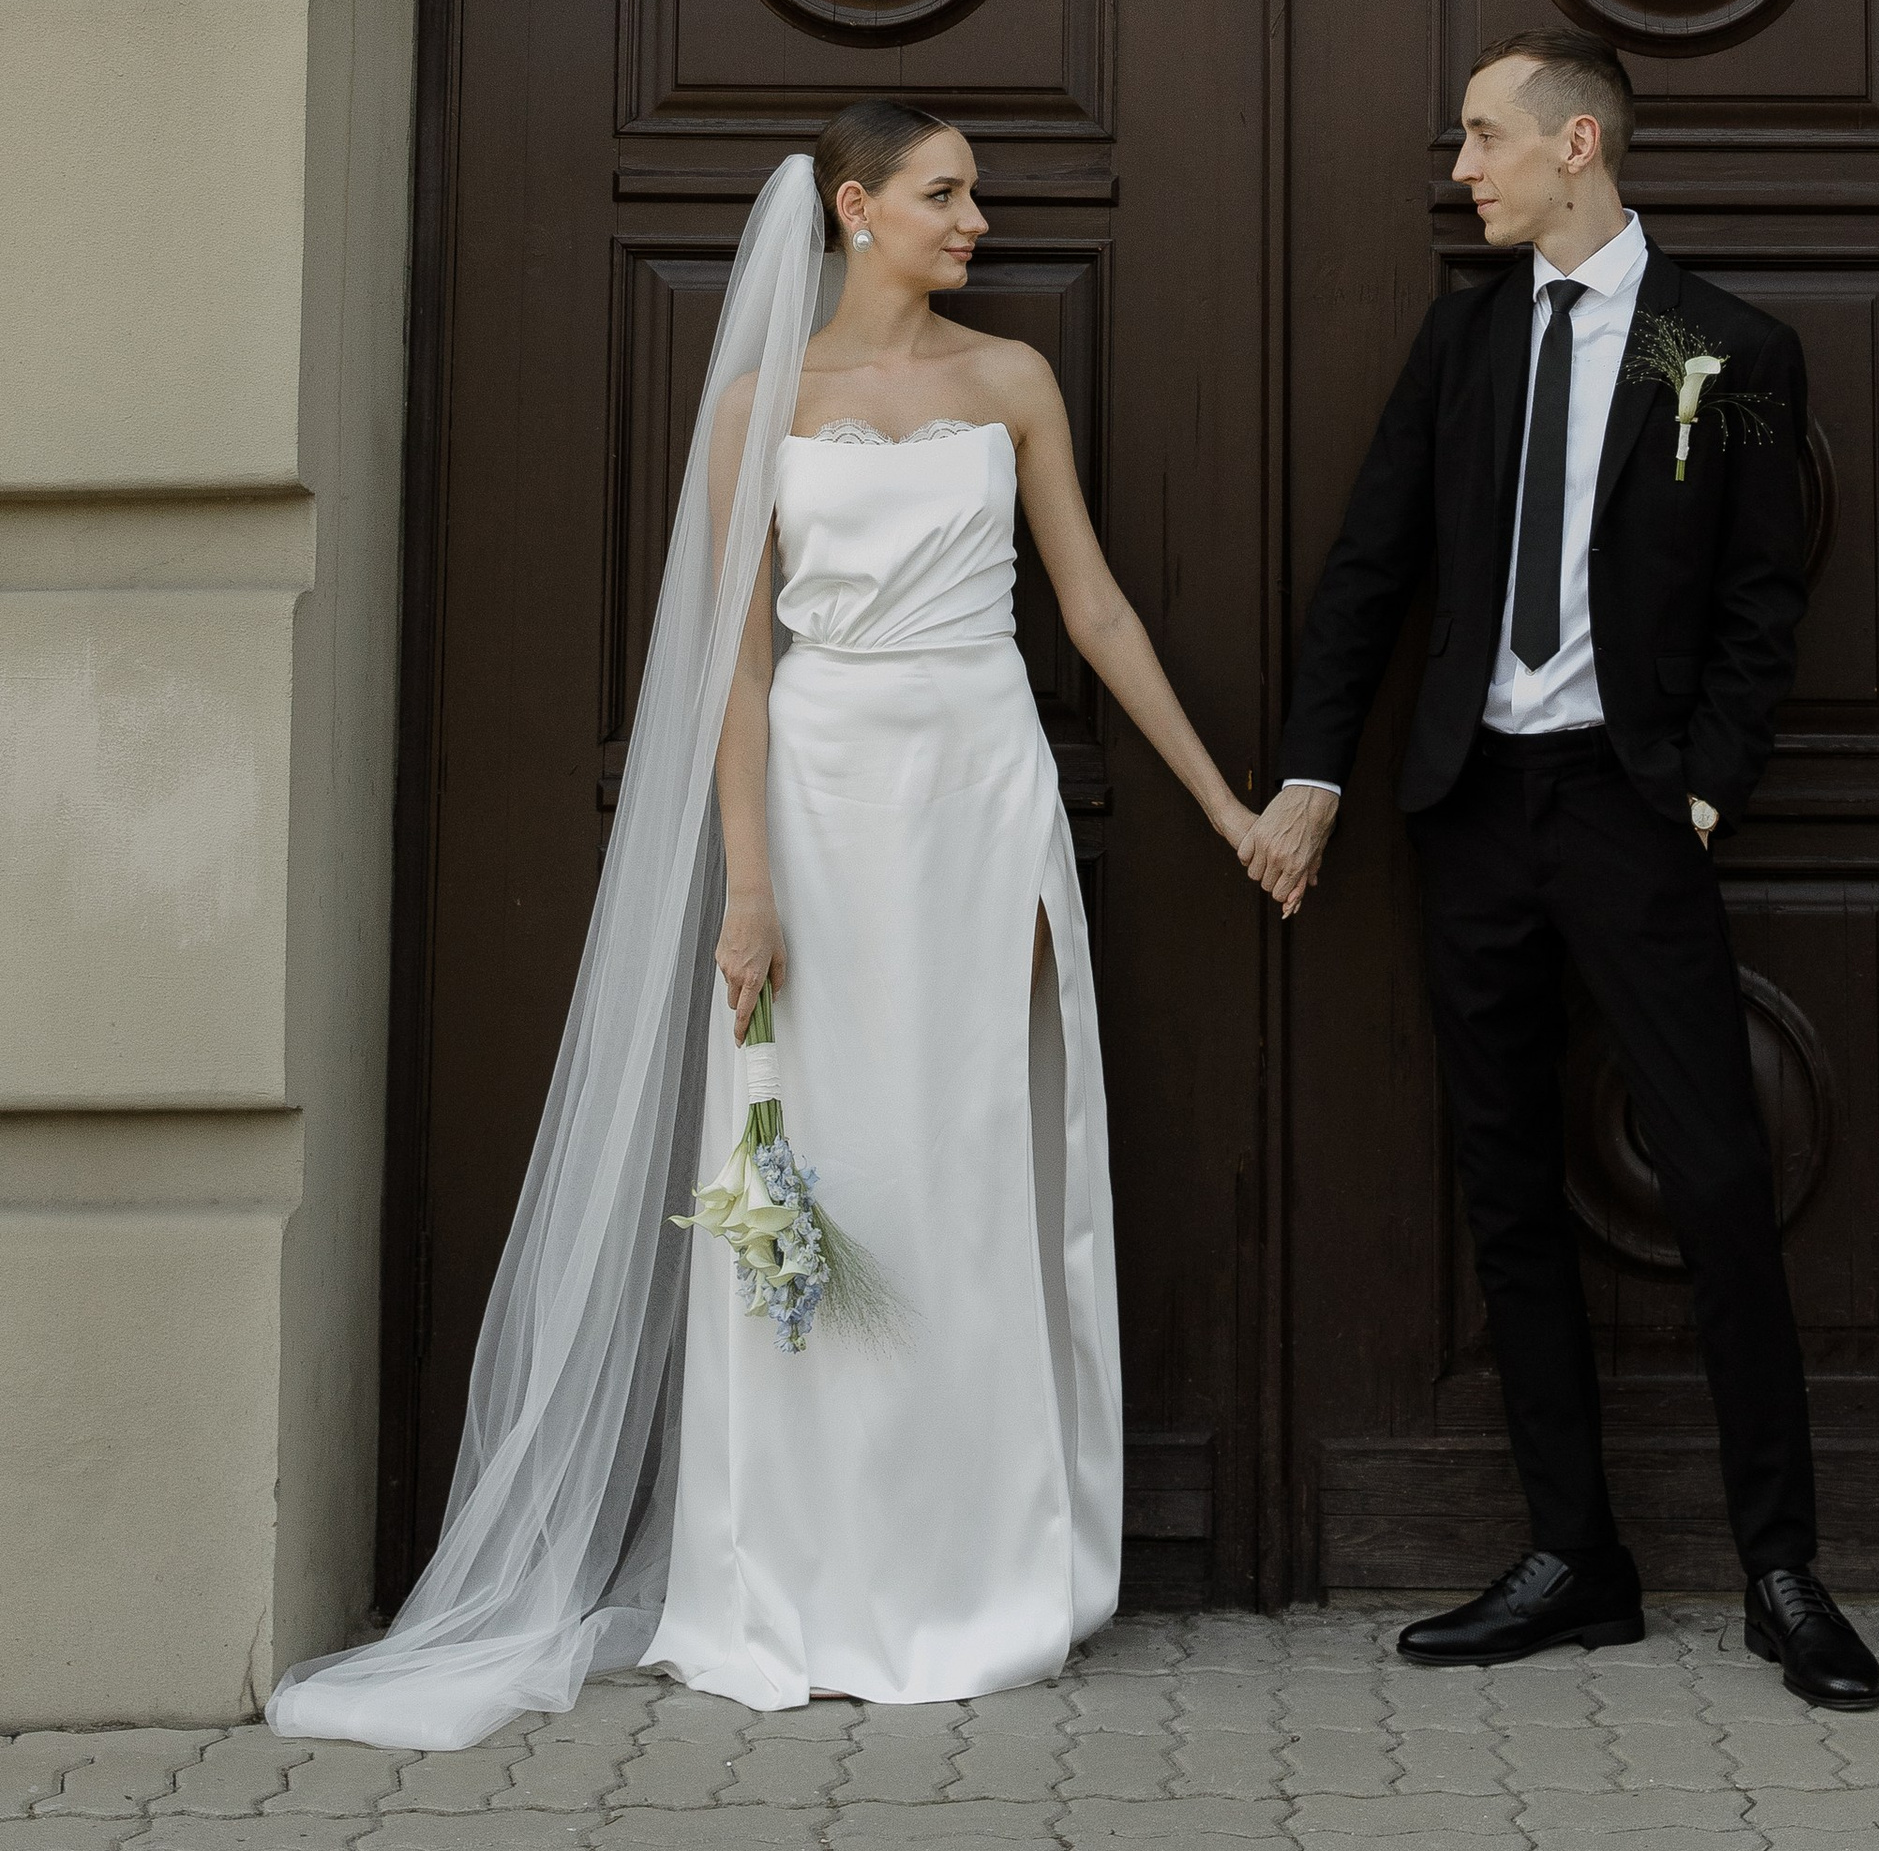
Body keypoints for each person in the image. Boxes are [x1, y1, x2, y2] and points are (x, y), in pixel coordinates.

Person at [272, 103, 1260, 1748]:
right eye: (947, 196)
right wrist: (746, 879)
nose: (977, 223)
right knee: (813, 1157)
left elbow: (1090, 608)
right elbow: (734, 656)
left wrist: (1224, 802)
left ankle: (973, 1569)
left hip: (981, 795)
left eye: (976, 197)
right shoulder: (758, 406)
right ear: (858, 210)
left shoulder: (1012, 383)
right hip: (821, 797)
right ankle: (795, 1568)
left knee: (963, 1159)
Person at [1245, 30, 1879, 1710]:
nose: (1462, 168)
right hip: (1474, 808)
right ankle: (1573, 1559)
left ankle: (1783, 1570)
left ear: (1575, 142)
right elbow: (1371, 567)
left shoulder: (1728, 348)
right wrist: (1313, 771)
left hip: (1628, 807)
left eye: (1482, 137)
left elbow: (1763, 603)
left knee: (1720, 1181)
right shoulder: (1463, 340)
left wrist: (1703, 796)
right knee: (1509, 1184)